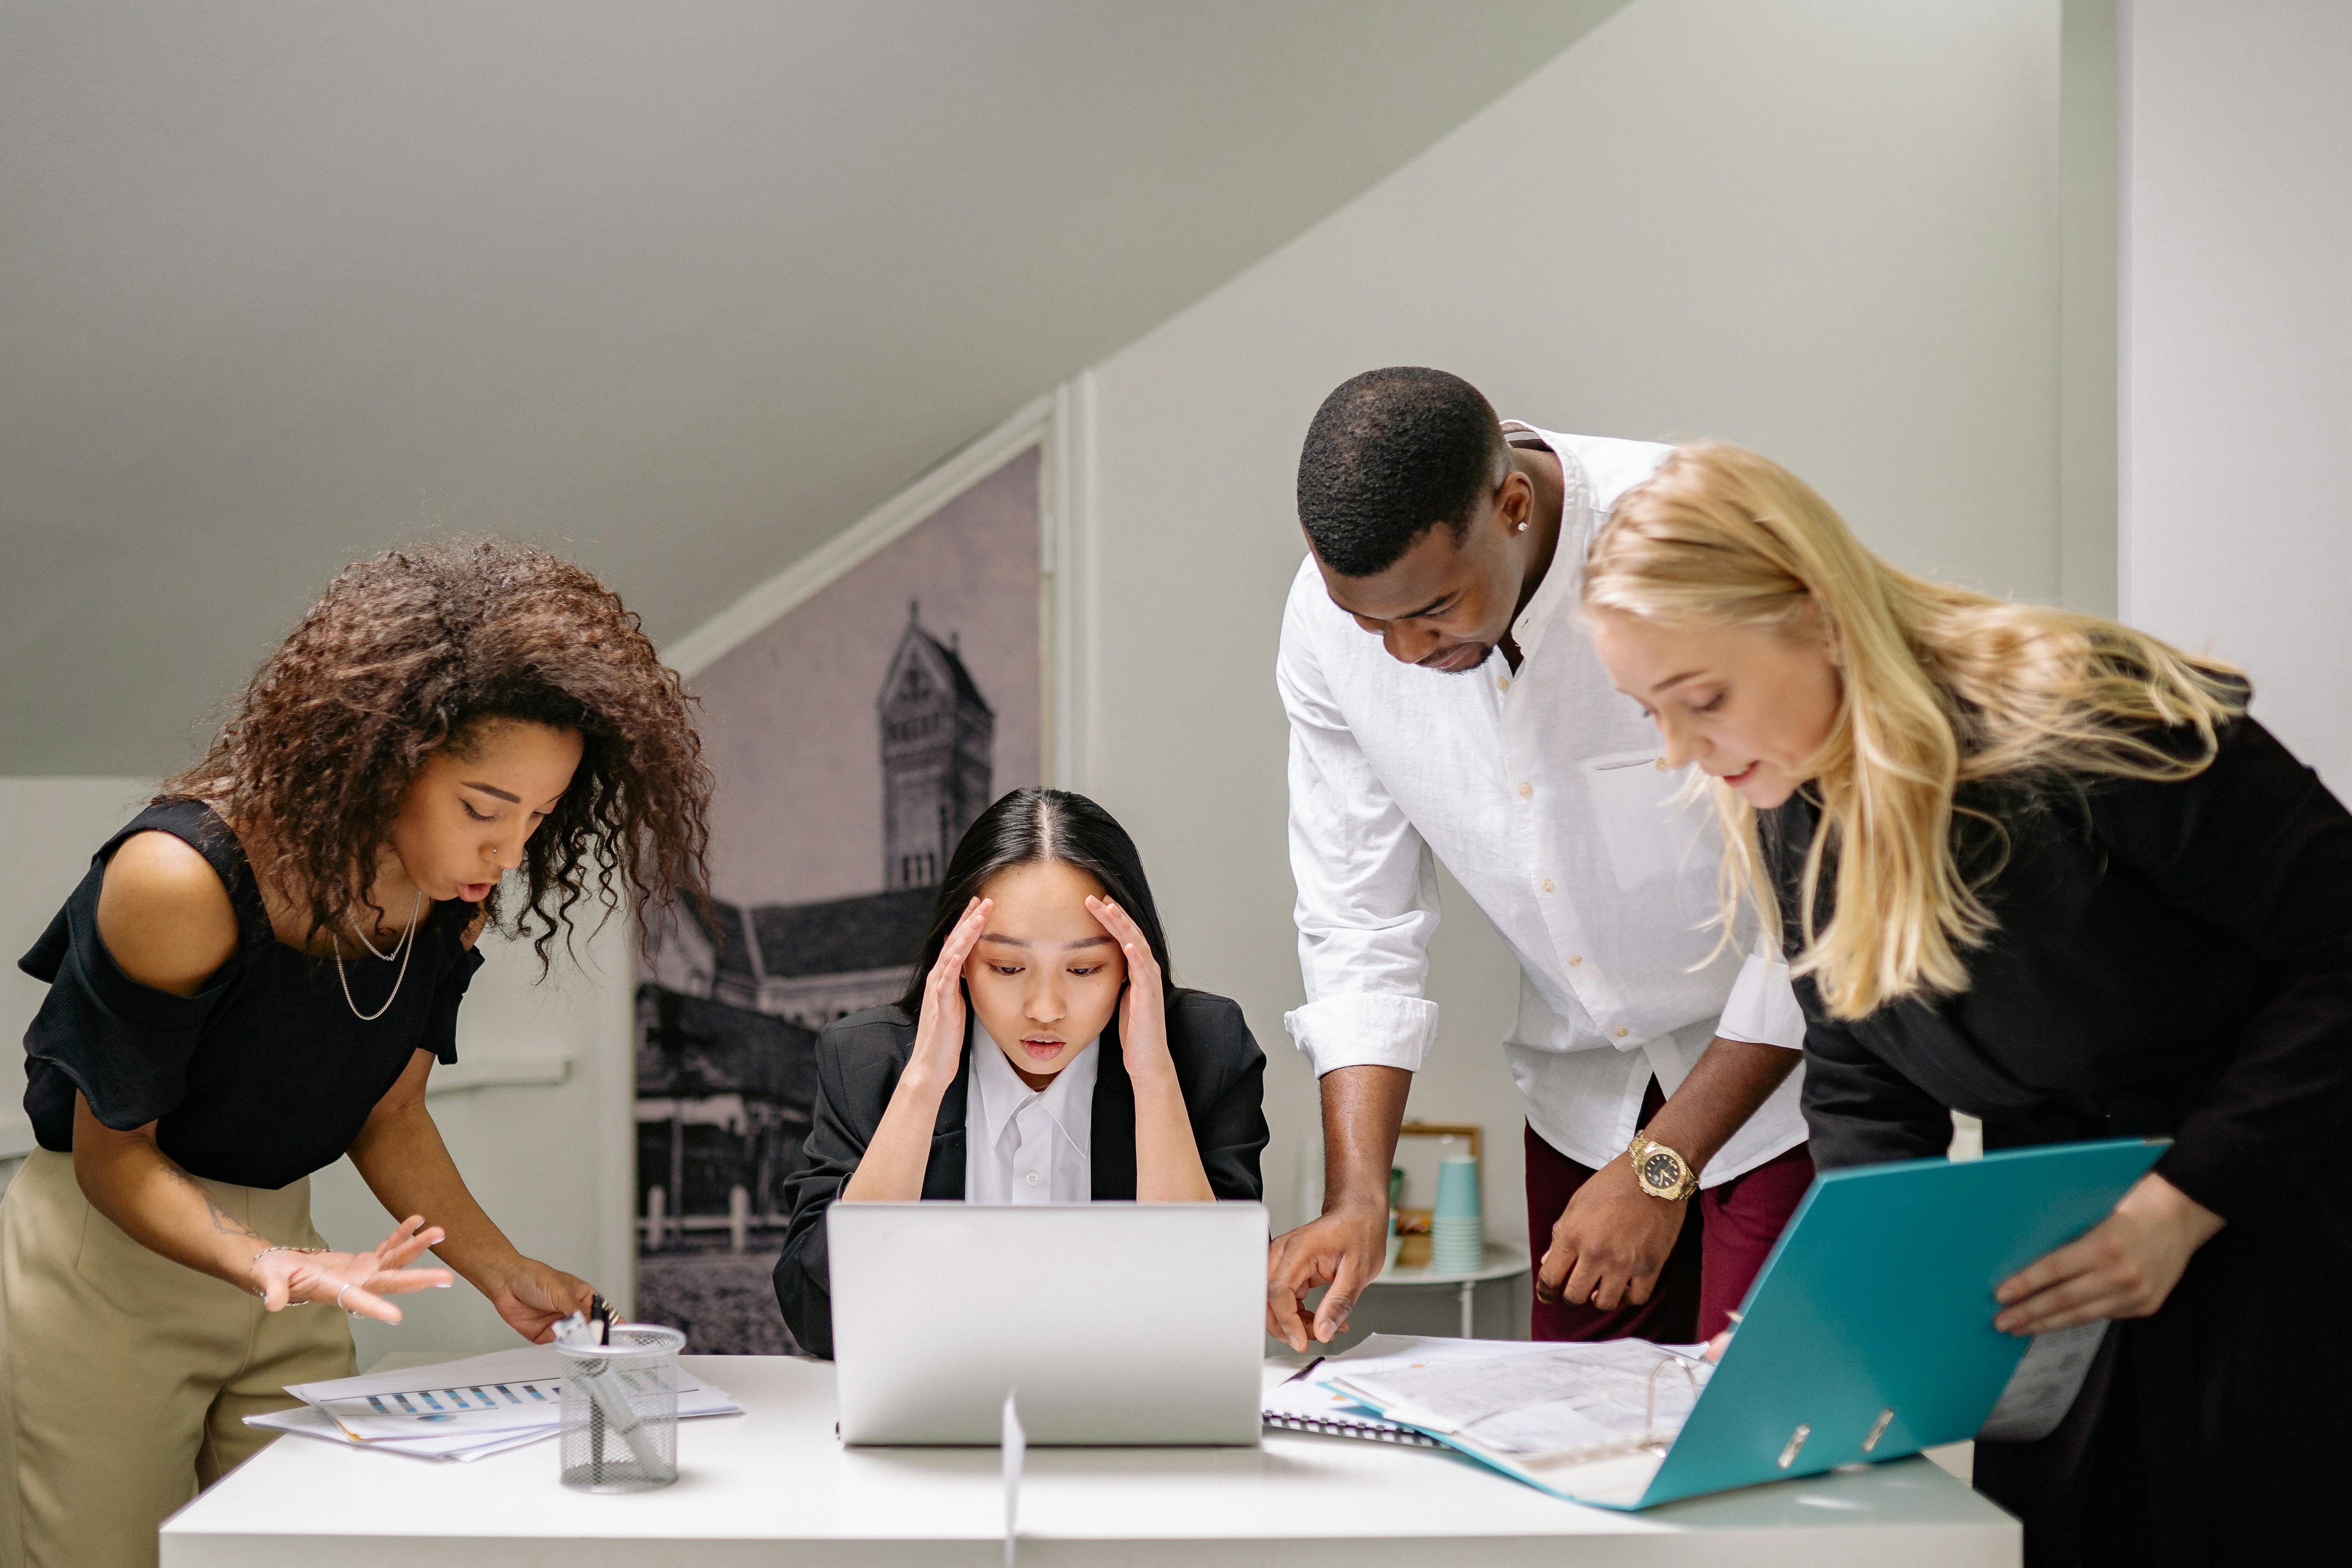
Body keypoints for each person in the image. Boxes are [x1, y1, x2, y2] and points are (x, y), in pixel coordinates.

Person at [1581, 441, 2352, 1562]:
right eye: (1648, 711)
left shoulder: (2085, 712)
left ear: (1819, 615)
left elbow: (2340, 948)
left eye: (1700, 698)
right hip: (2065, 1264)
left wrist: (2184, 1199)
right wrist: (1844, 1304)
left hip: (2283, 1211)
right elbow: (1858, 1068)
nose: (1678, 752)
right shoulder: (1797, 798)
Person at [0, 540, 713, 1568]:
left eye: (541, 815)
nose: (510, 855)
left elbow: (390, 1114)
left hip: (296, 1260)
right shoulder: (179, 879)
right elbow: (115, 1155)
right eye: (483, 808)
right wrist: (265, 1262)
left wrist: (499, 1270)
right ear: (381, 754)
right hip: (104, 1264)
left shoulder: (450, 899)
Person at [1267, 368, 1813, 1355]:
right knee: (1572, 1452)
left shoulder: (1689, 537)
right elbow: (1358, 918)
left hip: (1778, 1086)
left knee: (1759, 1442)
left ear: (1510, 505)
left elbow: (1822, 901)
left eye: (1432, 608)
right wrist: (1356, 1200)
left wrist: (1662, 1167)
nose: (1398, 650)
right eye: (1368, 622)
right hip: (1577, 1096)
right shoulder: (1324, 621)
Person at [774, 788, 1268, 1358]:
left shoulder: (1206, 1047)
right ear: (955, 960)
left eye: (1084, 968)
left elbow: (1212, 1317)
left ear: (1133, 963)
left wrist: (1154, 1076)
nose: (1045, 1008)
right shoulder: (865, 1059)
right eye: (1007, 967)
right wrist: (921, 1087)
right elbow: (819, 1320)